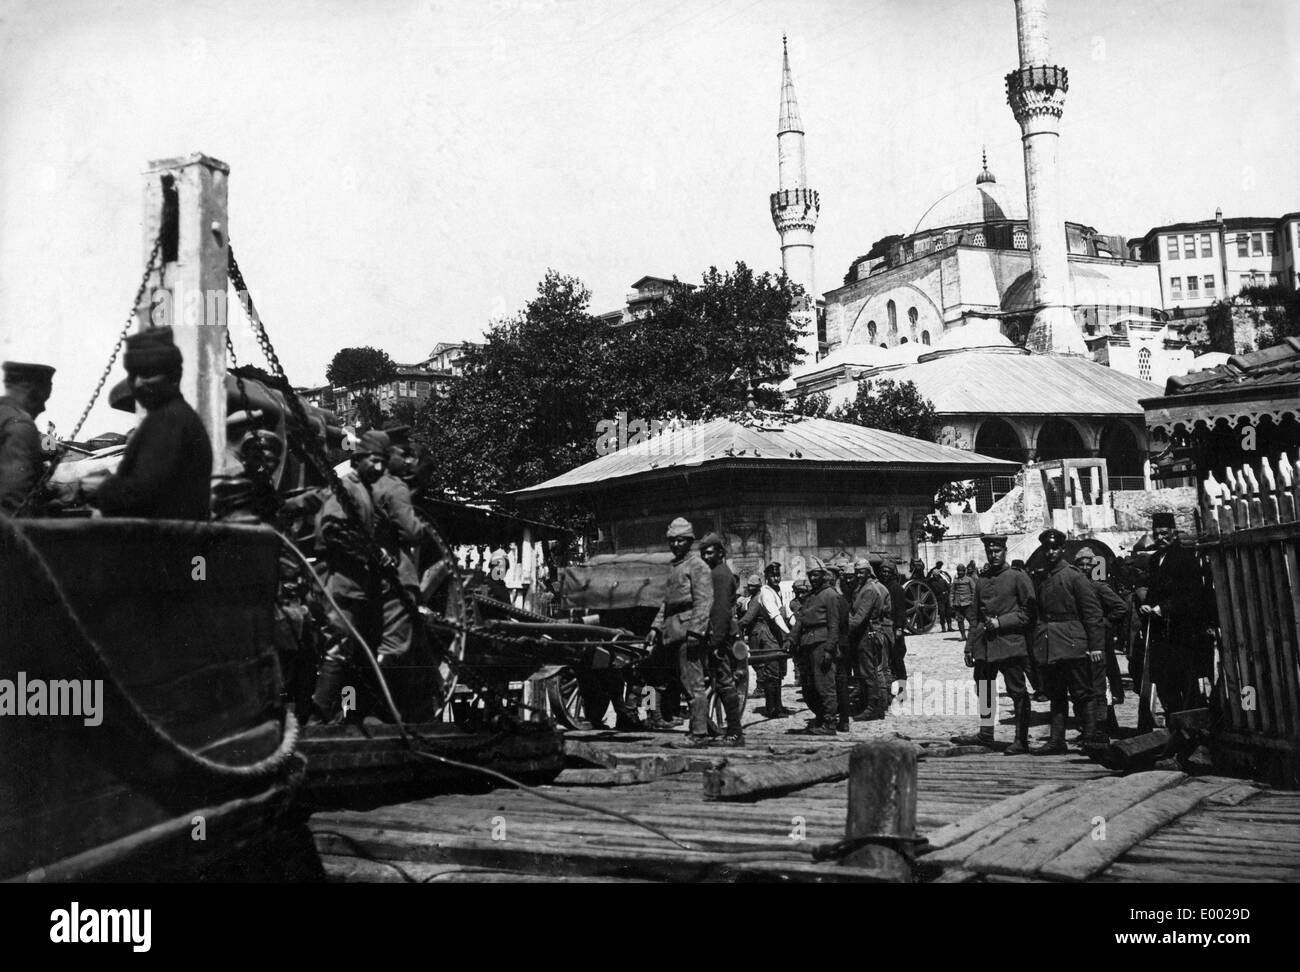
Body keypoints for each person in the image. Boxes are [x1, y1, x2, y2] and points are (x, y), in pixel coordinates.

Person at [90, 328, 212, 520]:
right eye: (132, 374)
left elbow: (143, 493)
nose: (137, 383)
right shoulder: (175, 416)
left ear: (174, 376)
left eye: (147, 373)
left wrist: (101, 487)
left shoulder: (168, 420)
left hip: (166, 544)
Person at [309, 430, 388, 722]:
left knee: (351, 651)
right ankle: (317, 718)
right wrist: (370, 553)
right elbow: (331, 531)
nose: (378, 468)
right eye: (373, 461)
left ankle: (347, 717)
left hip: (355, 587)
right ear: (359, 458)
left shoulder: (364, 491)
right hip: (338, 585)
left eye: (383, 463)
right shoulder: (347, 487)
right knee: (339, 648)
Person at [952, 535, 1035, 753]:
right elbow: (975, 618)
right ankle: (986, 733)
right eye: (990, 551)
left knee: (1017, 691)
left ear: (1005, 550)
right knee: (984, 688)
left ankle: (1021, 739)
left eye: (997, 551)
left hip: (1010, 643)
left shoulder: (1018, 577)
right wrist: (969, 646)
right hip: (985, 646)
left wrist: (1001, 622)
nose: (993, 555)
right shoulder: (981, 580)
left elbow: (1029, 613)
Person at [1030, 528, 1106, 754]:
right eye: (1047, 548)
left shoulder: (1075, 576)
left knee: (1082, 691)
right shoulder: (1043, 576)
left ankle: (1091, 737)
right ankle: (1057, 741)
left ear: (1062, 549)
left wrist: (1095, 647)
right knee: (1056, 693)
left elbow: (1092, 614)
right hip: (1051, 643)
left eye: (1055, 548)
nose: (1051, 552)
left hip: (1073, 642)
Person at [647, 517, 715, 747]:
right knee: (680, 683)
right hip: (672, 632)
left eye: (680, 541)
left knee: (693, 683)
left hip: (688, 632)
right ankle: (696, 726)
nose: (675, 545)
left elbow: (704, 601)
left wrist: (696, 631)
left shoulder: (698, 567)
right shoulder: (674, 568)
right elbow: (665, 605)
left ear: (689, 541)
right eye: (672, 541)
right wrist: (655, 629)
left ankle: (698, 733)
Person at [1139, 511, 1212, 725]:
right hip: (1161, 633)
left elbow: (1193, 594)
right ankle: (1173, 722)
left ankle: (1189, 726)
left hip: (1183, 631)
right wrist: (1146, 605)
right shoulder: (1154, 560)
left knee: (1186, 681)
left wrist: (1163, 608)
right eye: (1156, 534)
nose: (1160, 538)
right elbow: (1153, 590)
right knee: (1164, 680)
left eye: (1164, 533)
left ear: (1173, 533)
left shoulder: (1185, 558)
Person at [1074, 548, 1129, 740]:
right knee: (1084, 684)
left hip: (1099, 641)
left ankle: (1104, 727)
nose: (1085, 567)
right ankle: (1089, 727)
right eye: (1081, 564)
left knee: (1101, 685)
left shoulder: (1098, 587)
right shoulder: (1074, 586)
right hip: (1081, 641)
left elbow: (1121, 607)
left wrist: (1104, 623)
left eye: (1089, 564)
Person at [699, 533, 745, 746]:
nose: (706, 557)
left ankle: (735, 732)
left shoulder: (719, 574)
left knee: (725, 682)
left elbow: (720, 611)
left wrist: (716, 642)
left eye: (710, 552)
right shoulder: (717, 572)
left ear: (720, 553)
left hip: (721, 636)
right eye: (703, 553)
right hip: (716, 633)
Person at [788, 557, 840, 735]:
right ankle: (819, 718)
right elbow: (800, 621)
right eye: (810, 575)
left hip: (822, 645)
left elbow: (834, 625)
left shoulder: (830, 595)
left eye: (816, 575)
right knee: (810, 687)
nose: (813, 578)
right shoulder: (810, 597)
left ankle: (830, 723)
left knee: (825, 685)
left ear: (824, 575)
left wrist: (829, 649)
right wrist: (791, 640)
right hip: (807, 645)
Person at [0, 361, 54, 515]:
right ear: (33, 392)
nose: (43, 408)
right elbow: (13, 500)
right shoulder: (20, 424)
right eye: (43, 400)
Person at [740, 562, 793, 717]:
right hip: (767, 634)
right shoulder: (765, 593)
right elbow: (775, 616)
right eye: (772, 575)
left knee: (778, 672)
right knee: (772, 672)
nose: (776, 578)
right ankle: (771, 708)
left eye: (778, 575)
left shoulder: (778, 591)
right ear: (767, 577)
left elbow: (786, 613)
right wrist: (789, 633)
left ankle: (779, 705)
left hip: (775, 634)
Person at [848, 556, 892, 722]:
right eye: (857, 572)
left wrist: (842, 624)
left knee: (869, 673)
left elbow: (858, 618)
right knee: (864, 672)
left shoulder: (869, 590)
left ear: (868, 572)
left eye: (862, 572)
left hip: (868, 635)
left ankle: (874, 708)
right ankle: (868, 704)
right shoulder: (861, 588)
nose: (859, 575)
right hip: (863, 635)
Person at [877, 558, 909, 702]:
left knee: (897, 661)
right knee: (886, 662)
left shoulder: (896, 588)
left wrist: (900, 628)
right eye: (883, 571)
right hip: (884, 628)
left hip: (895, 629)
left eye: (888, 571)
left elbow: (901, 610)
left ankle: (902, 691)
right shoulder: (879, 587)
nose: (885, 574)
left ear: (892, 573)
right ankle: (888, 691)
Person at [950, 563, 976, 641]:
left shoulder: (969, 580)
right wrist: (951, 602)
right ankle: (963, 636)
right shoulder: (955, 581)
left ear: (964, 571)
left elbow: (974, 591)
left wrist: (972, 601)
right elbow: (952, 592)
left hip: (967, 603)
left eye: (961, 571)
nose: (960, 573)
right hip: (958, 604)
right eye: (958, 571)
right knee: (960, 620)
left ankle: (974, 635)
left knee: (971, 620)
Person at [928, 561, 953, 632]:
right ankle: (943, 627)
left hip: (945, 597)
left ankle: (950, 626)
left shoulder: (942, 580)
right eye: (935, 575)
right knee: (942, 613)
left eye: (937, 575)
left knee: (948, 612)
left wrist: (948, 593)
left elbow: (948, 586)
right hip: (939, 598)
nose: (936, 576)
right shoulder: (931, 582)